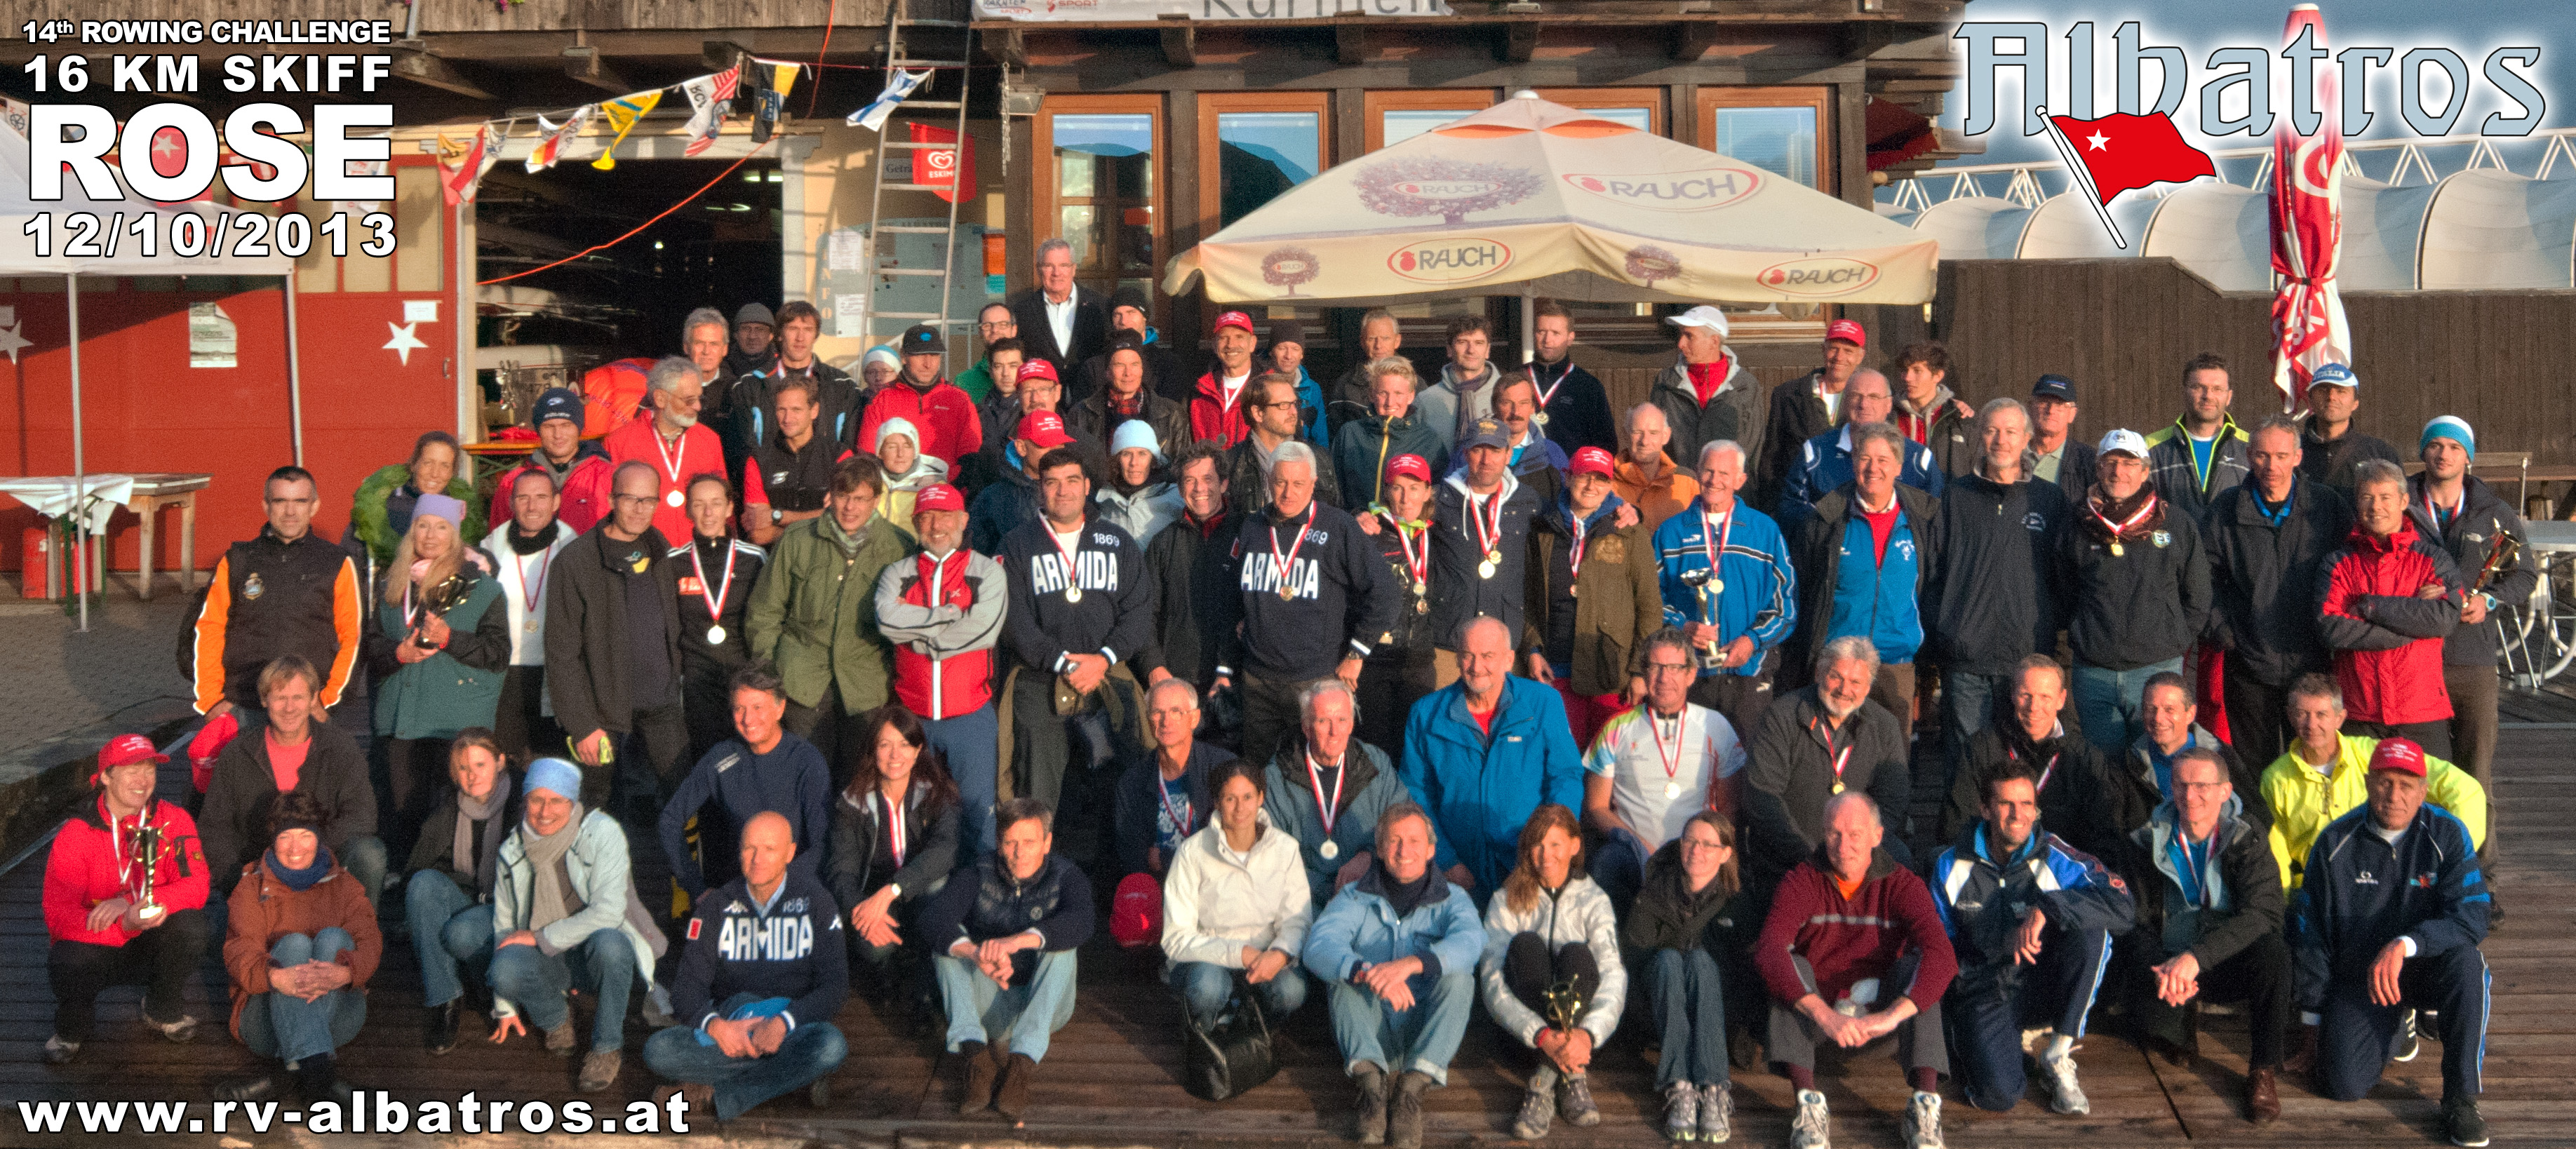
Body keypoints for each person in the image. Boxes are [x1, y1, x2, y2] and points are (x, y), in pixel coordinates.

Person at [2292, 739, 2491, 1148]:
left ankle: (2461, 1097)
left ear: (2423, 791)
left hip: (2426, 963)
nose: (2394, 795)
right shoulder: (2334, 841)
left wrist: (2408, 943)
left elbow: (2473, 915)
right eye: (2384, 782)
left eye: (2406, 785)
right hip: (2364, 975)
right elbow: (2311, 936)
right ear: (2368, 784)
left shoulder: (2448, 834)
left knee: (2469, 965)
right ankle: (2397, 1025)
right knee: (2342, 1085)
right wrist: (2310, 1027)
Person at [1928, 762, 2135, 1117]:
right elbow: (1937, 946)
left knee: (2092, 933)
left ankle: (2057, 1052)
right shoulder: (1950, 865)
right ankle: (2002, 1043)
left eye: (2027, 804)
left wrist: (2048, 908)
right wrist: (1986, 961)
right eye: (2006, 804)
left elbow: (2123, 905)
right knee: (1997, 1097)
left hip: (2043, 982)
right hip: (1986, 990)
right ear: (1985, 809)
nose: (2018, 815)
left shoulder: (2055, 854)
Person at [1757, 792, 1954, 1149]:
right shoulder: (1802, 880)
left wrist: (1891, 1016)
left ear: (1877, 836)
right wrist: (1824, 1015)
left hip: (1880, 1024)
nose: (1843, 845)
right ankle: (1808, 1104)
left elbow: (1942, 955)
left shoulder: (1902, 884)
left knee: (1919, 969)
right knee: (1789, 965)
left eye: (1855, 834)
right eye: (1834, 833)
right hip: (1818, 1025)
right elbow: (1769, 949)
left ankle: (1924, 1105)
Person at [1000, 446, 1155, 868]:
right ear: (1040, 490)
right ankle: (1036, 880)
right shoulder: (1017, 544)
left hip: (1108, 674)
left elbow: (1139, 612)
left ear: (1088, 486)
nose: (1062, 491)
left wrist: (1103, 659)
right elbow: (1014, 621)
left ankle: (1124, 881)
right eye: (1051, 483)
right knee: (1038, 792)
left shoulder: (1118, 541)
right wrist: (1063, 663)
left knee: (1124, 782)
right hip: (1041, 678)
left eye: (1072, 481)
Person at [1302, 802, 1487, 1149]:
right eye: (1394, 840)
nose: (1404, 851)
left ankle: (1411, 1092)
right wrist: (1365, 971)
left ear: (1430, 850)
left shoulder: (1454, 899)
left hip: (1423, 1031)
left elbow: (1472, 941)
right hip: (1371, 1028)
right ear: (1379, 848)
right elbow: (1319, 945)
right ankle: (1371, 1090)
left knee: (1460, 979)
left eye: (1414, 841)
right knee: (1342, 977)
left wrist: (1413, 964)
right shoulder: (1354, 896)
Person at [2121, 747, 2290, 1124]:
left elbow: (2265, 912)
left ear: (2225, 791)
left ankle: (2262, 1070)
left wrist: (2197, 958)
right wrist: (2164, 969)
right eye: (2181, 785)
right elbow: (2134, 919)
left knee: (2274, 953)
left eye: (2202, 786)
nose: (2190, 795)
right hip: (2168, 965)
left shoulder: (2247, 838)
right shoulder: (2145, 839)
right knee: (2151, 1026)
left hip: (2220, 958)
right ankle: (2178, 1021)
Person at [645, 811, 849, 1120]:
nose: (757, 859)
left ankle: (719, 1093)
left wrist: (783, 1023)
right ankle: (789, 1078)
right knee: (658, 1051)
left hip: (789, 1025)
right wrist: (717, 1027)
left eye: (770, 849)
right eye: (749, 848)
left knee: (831, 1046)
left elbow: (835, 986)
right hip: (731, 1026)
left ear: (790, 853)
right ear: (739, 851)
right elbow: (686, 989)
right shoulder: (716, 906)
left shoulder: (817, 902)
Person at [488, 758, 668, 1092]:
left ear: (572, 802)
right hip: (550, 958)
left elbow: (609, 912)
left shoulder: (603, 832)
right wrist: (504, 1005)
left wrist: (541, 936)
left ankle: (607, 1047)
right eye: (536, 799)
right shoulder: (512, 848)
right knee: (504, 968)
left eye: (556, 800)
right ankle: (557, 1020)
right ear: (525, 800)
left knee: (611, 944)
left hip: (594, 953)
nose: (545, 811)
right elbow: (504, 925)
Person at [923, 798, 1094, 1125]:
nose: (1019, 852)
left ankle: (1021, 1066)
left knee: (1063, 946)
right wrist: (975, 953)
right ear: (999, 844)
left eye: (1029, 842)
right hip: (991, 1000)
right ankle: (976, 1059)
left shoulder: (1067, 875)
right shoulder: (978, 872)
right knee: (948, 945)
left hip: (1044, 1007)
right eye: (1010, 842)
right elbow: (934, 918)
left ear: (1047, 843)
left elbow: (1083, 921)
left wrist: (1017, 941)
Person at [1218, 439, 1388, 768]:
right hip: (1258, 682)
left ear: (1313, 483)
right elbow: (1230, 601)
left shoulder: (1338, 527)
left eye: (1298, 484)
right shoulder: (1252, 526)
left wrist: (1356, 654)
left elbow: (1384, 593)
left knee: (1314, 772)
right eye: (1280, 482)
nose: (1288, 493)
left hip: (1315, 682)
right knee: (1260, 775)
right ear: (1268, 480)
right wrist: (1225, 665)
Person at [2408, 415, 2531, 870]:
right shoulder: (2400, 503)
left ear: (2468, 457)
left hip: (2472, 660)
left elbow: (2524, 575)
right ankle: (2426, 875)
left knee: (2475, 775)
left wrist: (2490, 601)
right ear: (2423, 451)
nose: (2444, 454)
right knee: (2421, 775)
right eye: (2436, 445)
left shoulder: (2494, 512)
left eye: (2454, 447)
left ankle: (2482, 879)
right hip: (2415, 660)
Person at [43, 735, 211, 1065]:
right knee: (66, 957)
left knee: (192, 926)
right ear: (106, 777)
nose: (143, 781)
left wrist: (134, 902)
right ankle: (72, 1028)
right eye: (132, 771)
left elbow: (198, 885)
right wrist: (124, 924)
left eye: (149, 770)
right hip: (100, 941)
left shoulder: (173, 819)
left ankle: (161, 1009)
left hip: (153, 935)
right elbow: (58, 916)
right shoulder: (76, 833)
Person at [1928, 398, 2071, 770]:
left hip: (2026, 659)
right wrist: (1947, 631)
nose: (2000, 440)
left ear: (2026, 438)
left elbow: (2064, 575)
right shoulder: (1955, 496)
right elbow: (1933, 570)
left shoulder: (2049, 499)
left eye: (2010, 432)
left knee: (2022, 765)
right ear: (1979, 435)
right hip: (1966, 657)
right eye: (1991, 430)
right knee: (1967, 763)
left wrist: (2050, 631)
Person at [2204, 416, 2354, 769]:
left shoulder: (2327, 506)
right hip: (2249, 663)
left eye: (2282, 456)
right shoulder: (2225, 510)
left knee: (2316, 760)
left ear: (2298, 457)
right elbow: (2203, 579)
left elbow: (2353, 568)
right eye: (2262, 455)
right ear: (2248, 456)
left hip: (2313, 662)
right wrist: (2223, 631)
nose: (2271, 466)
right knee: (2256, 770)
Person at [214, 791, 381, 1106]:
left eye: (305, 836)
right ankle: (319, 1076)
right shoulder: (250, 886)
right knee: (293, 944)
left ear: (319, 838)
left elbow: (370, 942)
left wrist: (345, 974)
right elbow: (239, 951)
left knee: (334, 938)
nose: (295, 848)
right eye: (285, 837)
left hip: (340, 1016)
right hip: (264, 1022)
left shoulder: (344, 884)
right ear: (273, 839)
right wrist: (276, 978)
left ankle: (288, 1072)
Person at [369, 492, 509, 866]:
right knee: (403, 813)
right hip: (402, 720)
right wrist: (398, 654)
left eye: (442, 527)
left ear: (455, 535)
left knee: (450, 815)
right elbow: (371, 647)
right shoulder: (391, 586)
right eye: (423, 526)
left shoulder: (483, 589)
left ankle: (451, 878)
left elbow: (498, 654)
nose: (431, 535)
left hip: (455, 720)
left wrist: (450, 639)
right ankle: (401, 882)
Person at [1400, 617, 1585, 894]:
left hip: (1531, 865)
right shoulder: (1426, 714)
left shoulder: (1543, 703)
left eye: (1488, 656)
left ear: (1509, 660)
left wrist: (1550, 848)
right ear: (1457, 658)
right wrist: (1446, 861)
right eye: (1468, 656)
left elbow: (1566, 777)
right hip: (1458, 871)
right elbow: (1415, 794)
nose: (1477, 667)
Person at [2260, 678, 2488, 901]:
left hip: (2385, 882)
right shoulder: (2275, 778)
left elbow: (2466, 791)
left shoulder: (2377, 756)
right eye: (2302, 714)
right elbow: (2275, 853)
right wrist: (2281, 909)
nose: (2311, 725)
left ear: (2340, 718)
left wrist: (2449, 860)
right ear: (2290, 716)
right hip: (2318, 890)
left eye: (2321, 715)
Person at [749, 455, 910, 767]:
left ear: (876, 500)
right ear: (830, 496)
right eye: (842, 496)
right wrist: (770, 673)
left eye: (860, 499)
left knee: (859, 777)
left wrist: (893, 681)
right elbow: (764, 612)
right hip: (801, 680)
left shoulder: (898, 547)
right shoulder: (797, 539)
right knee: (807, 773)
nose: (850, 507)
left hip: (866, 684)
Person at [547, 461, 690, 812]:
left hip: (662, 705)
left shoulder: (661, 550)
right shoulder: (576, 561)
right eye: (630, 499)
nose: (640, 509)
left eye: (648, 500)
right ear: (612, 500)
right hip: (602, 714)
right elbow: (562, 654)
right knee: (597, 808)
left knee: (681, 799)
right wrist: (582, 726)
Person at [1478, 805, 1625, 1139]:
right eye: (1538, 845)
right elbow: (1491, 979)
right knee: (1526, 946)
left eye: (1556, 844)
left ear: (1574, 846)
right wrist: (1541, 1034)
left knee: (1577, 954)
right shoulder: (1505, 899)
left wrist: (1588, 1035)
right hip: (1525, 1038)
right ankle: (1561, 1073)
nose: (1546, 855)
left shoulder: (1595, 900)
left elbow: (1613, 974)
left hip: (1581, 1042)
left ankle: (1547, 1081)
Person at [1788, 423, 1941, 742]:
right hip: (1839, 663)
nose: (1873, 468)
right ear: (1853, 463)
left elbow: (1933, 589)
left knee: (1892, 760)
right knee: (1831, 757)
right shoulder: (1825, 519)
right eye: (1864, 458)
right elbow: (1805, 588)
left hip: (1896, 663)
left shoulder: (1926, 519)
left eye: (1883, 460)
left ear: (1899, 467)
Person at [875, 482, 1006, 853]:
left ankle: (978, 885)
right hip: (913, 717)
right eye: (927, 517)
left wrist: (919, 638)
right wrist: (948, 615)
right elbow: (887, 621)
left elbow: (984, 631)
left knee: (978, 815)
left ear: (963, 519)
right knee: (917, 815)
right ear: (915, 523)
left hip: (970, 714)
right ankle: (920, 885)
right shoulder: (897, 573)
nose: (936, 526)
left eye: (945, 516)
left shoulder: (987, 571)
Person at [2065, 429, 2212, 751]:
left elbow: (2199, 595)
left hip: (2156, 668)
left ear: (2145, 471)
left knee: (2156, 761)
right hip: (2094, 672)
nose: (2118, 471)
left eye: (2129, 463)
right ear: (2098, 468)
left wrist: (2173, 640)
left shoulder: (2175, 523)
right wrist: (2085, 633)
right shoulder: (2077, 522)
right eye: (2110, 462)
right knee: (2103, 767)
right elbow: (2063, 590)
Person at [1582, 628, 1746, 909]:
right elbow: (1596, 807)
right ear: (1644, 673)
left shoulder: (1716, 726)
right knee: (1607, 862)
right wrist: (1636, 844)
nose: (1664, 678)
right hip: (1634, 855)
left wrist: (1702, 850)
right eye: (1656, 667)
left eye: (1674, 668)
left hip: (1695, 857)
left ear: (1691, 674)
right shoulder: (1616, 727)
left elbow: (1730, 810)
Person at [202, 657, 386, 903]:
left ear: (313, 700)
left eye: (298, 697)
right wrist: (241, 877)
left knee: (369, 854)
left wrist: (303, 850)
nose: (289, 708)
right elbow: (214, 827)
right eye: (280, 698)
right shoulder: (237, 753)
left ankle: (361, 925)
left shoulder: (340, 747)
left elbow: (362, 815)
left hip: (325, 861)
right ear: (264, 700)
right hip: (259, 872)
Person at [1624, 812, 1757, 1144]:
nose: (1696, 851)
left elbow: (1742, 968)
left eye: (1708, 844)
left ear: (1725, 853)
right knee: (1669, 959)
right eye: (1690, 841)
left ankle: (1713, 1088)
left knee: (1701, 961)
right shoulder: (1655, 889)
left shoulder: (1739, 901)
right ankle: (1680, 1085)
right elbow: (1634, 953)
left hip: (1715, 1007)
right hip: (1660, 998)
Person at [1653, 441, 1796, 741]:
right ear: (1697, 472)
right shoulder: (1671, 532)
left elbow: (1786, 606)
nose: (1714, 480)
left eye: (1724, 474)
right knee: (1688, 760)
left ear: (1740, 480)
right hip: (1687, 673)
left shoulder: (1765, 530)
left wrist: (1752, 640)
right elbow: (1651, 599)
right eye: (1708, 471)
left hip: (1749, 673)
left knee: (1747, 762)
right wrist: (1682, 626)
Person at [196, 466, 363, 723]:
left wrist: (327, 700)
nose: (290, 511)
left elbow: (352, 636)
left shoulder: (336, 562)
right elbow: (210, 628)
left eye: (300, 501)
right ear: (266, 506)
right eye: (280, 501)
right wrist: (211, 701)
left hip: (308, 707)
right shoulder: (238, 560)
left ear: (315, 506)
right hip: (243, 705)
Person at [1743, 636, 1912, 889]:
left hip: (1856, 857)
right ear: (1819, 674)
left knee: (1902, 859)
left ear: (1868, 687)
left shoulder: (1884, 725)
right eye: (1836, 677)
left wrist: (1856, 855)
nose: (1844, 689)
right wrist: (1811, 859)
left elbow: (1892, 801)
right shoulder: (1782, 716)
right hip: (1790, 858)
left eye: (1856, 682)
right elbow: (1762, 796)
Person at [2319, 459, 2462, 754]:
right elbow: (2332, 627)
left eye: (2385, 497)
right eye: (2367, 497)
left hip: (2421, 710)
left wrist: (2370, 607)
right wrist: (2414, 626)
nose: (2376, 507)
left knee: (2431, 786)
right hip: (2360, 710)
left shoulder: (2434, 559)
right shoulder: (2338, 563)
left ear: (2404, 501)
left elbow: (2445, 618)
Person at [1162, 758, 1314, 1030]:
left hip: (1265, 955)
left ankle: (1258, 1028)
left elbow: (1297, 920)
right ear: (1217, 802)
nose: (1240, 808)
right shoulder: (1192, 852)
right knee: (1206, 989)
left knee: (1292, 990)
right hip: (1209, 959)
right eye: (1230, 799)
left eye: (1247, 797)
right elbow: (1176, 937)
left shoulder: (1285, 849)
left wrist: (1280, 955)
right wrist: (1238, 953)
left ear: (1261, 798)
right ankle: (1207, 1029)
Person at [1525, 445, 1661, 748]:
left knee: (1610, 763)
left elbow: (1650, 607)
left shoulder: (1630, 532)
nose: (1591, 486)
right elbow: (1528, 598)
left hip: (1612, 676)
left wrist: (1640, 671)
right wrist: (1533, 649)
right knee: (1563, 760)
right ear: (1568, 477)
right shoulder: (1543, 529)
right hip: (1556, 670)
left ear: (1611, 485)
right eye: (1584, 476)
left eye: (1601, 479)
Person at [826, 705, 963, 1003]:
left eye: (904, 745)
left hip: (917, 891)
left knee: (938, 884)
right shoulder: (852, 803)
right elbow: (841, 872)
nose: (894, 755)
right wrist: (862, 911)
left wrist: (893, 889)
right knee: (875, 946)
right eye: (885, 745)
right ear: (872, 750)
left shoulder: (937, 792)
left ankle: (926, 981)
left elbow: (945, 850)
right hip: (873, 899)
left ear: (918, 750)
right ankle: (884, 971)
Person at [659, 664, 831, 899]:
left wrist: (783, 890)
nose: (748, 719)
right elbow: (670, 820)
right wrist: (696, 888)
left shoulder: (806, 761)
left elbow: (822, 841)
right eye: (740, 709)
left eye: (758, 707)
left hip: (793, 892)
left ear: (780, 708)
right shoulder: (721, 758)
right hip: (737, 893)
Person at [404, 732, 518, 1055]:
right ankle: (446, 999)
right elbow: (421, 864)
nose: (473, 776)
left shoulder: (522, 803)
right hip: (466, 896)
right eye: (464, 768)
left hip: (506, 907)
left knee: (461, 932)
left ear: (500, 762)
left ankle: (488, 982)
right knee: (422, 885)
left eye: (481, 765)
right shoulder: (448, 806)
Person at [1941, 655, 2120, 857]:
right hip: (1995, 864)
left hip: (2063, 868)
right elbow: (1959, 823)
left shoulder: (2085, 758)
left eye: (2045, 697)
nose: (2034, 707)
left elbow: (2103, 835)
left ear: (2061, 699)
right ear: (2012, 695)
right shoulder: (1981, 748)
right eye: (2026, 695)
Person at [1263, 679, 1409, 907]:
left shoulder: (1376, 764)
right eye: (1323, 721)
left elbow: (1405, 826)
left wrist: (1371, 855)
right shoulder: (1277, 777)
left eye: (1342, 720)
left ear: (1351, 724)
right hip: (1302, 903)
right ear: (1306, 728)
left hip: (1370, 894)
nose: (1334, 732)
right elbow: (1273, 858)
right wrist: (1328, 893)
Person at [1425, 420, 1541, 688]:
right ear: (1466, 453)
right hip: (1449, 645)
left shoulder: (1529, 502)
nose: (1486, 459)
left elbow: (1572, 517)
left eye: (1495, 450)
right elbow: (1396, 517)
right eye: (1478, 450)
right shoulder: (1438, 499)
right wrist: (1366, 517)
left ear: (1508, 454)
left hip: (1504, 648)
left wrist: (1624, 509)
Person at [2109, 673, 2271, 859]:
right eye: (2150, 709)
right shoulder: (2127, 766)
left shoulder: (2222, 757)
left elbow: (2257, 819)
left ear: (2191, 714)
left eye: (2169, 709)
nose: (2158, 718)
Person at [668, 475, 768, 762]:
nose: (708, 513)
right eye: (699, 504)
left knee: (748, 757)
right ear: (688, 510)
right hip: (697, 680)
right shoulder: (674, 562)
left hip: (744, 675)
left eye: (716, 503)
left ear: (729, 508)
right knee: (708, 759)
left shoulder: (754, 558)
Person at [483, 468, 578, 763]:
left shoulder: (574, 546)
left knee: (550, 761)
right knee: (505, 758)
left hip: (555, 670)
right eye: (523, 498)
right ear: (511, 503)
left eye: (541, 497)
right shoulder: (492, 546)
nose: (532, 506)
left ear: (556, 502)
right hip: (505, 670)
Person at [1352, 455, 1441, 757]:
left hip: (1419, 661)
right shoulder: (1369, 531)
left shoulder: (1435, 533)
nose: (1405, 498)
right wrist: (1355, 515)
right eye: (1398, 488)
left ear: (1427, 492)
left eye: (1414, 488)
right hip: (1375, 662)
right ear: (1386, 492)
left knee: (1415, 749)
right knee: (1374, 751)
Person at [1137, 440, 1240, 699]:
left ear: (1224, 484)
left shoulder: (1248, 534)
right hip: (1177, 679)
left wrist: (1228, 669)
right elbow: (1144, 612)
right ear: (1181, 489)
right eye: (1190, 481)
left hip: (1235, 678)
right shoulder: (1163, 543)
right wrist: (1154, 666)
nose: (1199, 489)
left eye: (1208, 479)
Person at [1776, 370, 1943, 528]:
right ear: (1845, 401)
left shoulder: (1918, 459)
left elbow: (1936, 518)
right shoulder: (1816, 453)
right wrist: (1830, 526)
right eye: (1856, 396)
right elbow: (1790, 510)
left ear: (1889, 404)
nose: (1864, 404)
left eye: (1874, 397)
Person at [605, 357, 726, 546]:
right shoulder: (619, 442)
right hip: (644, 551)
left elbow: (722, 505)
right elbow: (608, 509)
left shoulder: (709, 440)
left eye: (699, 399)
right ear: (661, 398)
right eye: (689, 400)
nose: (697, 407)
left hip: (696, 551)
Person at [1114, 679, 1229, 877]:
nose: (1166, 722)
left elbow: (1237, 842)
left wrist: (1166, 859)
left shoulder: (1224, 769)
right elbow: (1133, 858)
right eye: (1157, 713)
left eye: (1176, 712)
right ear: (1149, 721)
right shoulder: (1132, 782)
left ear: (1194, 718)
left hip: (1216, 880)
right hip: (1160, 886)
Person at [1649, 307, 1767, 495]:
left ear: (1714, 341)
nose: (1680, 344)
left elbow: (1753, 451)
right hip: (1676, 494)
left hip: (1728, 497)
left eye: (1689, 336)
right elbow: (1656, 445)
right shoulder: (1666, 383)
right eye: (1681, 335)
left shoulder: (1745, 386)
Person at [1757, 319, 1867, 509]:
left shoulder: (1872, 400)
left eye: (1848, 351)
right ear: (1823, 350)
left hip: (1853, 507)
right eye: (1834, 349)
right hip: (1801, 505)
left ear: (1860, 356)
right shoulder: (1788, 395)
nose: (1839, 357)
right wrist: (1774, 511)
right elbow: (1771, 460)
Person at [347, 429, 483, 574]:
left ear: (452, 472)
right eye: (428, 463)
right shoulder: (387, 504)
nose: (435, 474)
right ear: (414, 464)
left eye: (445, 465)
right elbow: (352, 559)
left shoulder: (460, 510)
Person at [734, 301, 862, 454]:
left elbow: (850, 449)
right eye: (793, 329)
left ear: (816, 336)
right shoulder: (750, 385)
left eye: (808, 330)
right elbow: (742, 450)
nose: (800, 338)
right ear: (779, 335)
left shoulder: (843, 386)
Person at [742, 377, 853, 547]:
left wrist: (779, 517)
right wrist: (821, 518)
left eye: (796, 410)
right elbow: (759, 533)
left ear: (814, 410)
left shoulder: (840, 456)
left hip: (827, 556)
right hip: (776, 556)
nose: (787, 418)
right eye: (781, 409)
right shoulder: (758, 459)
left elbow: (845, 519)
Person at [2144, 351, 2251, 527]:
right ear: (2184, 392)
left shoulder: (2250, 447)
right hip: (2173, 544)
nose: (2207, 395)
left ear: (2229, 396)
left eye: (2217, 389)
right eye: (2198, 387)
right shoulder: (2149, 447)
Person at [861, 324, 984, 475]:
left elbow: (970, 455)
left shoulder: (959, 398)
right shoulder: (881, 399)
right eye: (920, 355)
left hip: (946, 485)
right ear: (904, 357)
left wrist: (943, 482)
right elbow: (867, 456)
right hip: (895, 487)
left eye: (934, 355)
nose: (928, 364)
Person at [490, 387, 613, 535]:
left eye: (566, 425)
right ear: (538, 431)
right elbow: (499, 540)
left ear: (579, 429)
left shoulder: (607, 477)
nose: (558, 435)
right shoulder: (512, 482)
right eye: (549, 426)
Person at [1334, 356, 1446, 513]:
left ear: (1411, 396)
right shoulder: (1350, 434)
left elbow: (1437, 500)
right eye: (1383, 393)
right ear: (1372, 395)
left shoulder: (1429, 441)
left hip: (1408, 528)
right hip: (1357, 526)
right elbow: (1335, 493)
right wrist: (1355, 516)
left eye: (1398, 393)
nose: (1390, 402)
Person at [1223, 373, 1345, 516]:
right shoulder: (1232, 464)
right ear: (1258, 413)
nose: (1294, 412)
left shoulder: (1319, 458)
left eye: (1295, 404)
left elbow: (1337, 516)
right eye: (1284, 405)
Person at [972, 405, 1075, 553]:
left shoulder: (1078, 490)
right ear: (1021, 448)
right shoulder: (994, 498)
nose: (1054, 453)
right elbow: (978, 556)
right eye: (1045, 445)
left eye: (1059, 445)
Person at [1524, 300, 1618, 459]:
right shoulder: (1516, 379)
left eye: (1556, 333)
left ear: (1570, 338)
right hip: (1523, 471)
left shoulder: (1588, 386)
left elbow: (1605, 446)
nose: (1547, 340)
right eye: (1541, 332)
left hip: (1571, 472)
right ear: (1534, 333)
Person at [1070, 335, 1189, 460]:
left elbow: (1181, 464)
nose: (1128, 373)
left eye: (1134, 364)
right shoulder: (1080, 414)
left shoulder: (1173, 414)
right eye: (1120, 365)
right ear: (1108, 372)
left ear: (1142, 370)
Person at [1008, 238, 1108, 382]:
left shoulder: (1100, 305)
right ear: (1038, 270)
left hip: (1090, 390)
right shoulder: (1022, 310)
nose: (1056, 273)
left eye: (1063, 265)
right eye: (1049, 266)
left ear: (1074, 269)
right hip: (1042, 392)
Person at [2296, 363, 2401, 500]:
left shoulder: (2380, 453)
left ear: (2355, 403)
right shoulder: (2289, 451)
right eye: (2323, 390)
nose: (2331, 397)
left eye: (2341, 391)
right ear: (2310, 400)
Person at [1475, 372, 1572, 509]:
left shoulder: (1552, 453)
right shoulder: (1473, 451)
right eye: (1507, 403)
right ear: (1494, 406)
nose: (1516, 412)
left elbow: (1570, 503)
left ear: (1533, 407)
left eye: (1523, 403)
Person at [1080, 285, 1189, 405]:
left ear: (1144, 316)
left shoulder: (1168, 364)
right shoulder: (1095, 366)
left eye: (1131, 313)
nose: (1124, 321)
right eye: (1117, 314)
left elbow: (1171, 410)